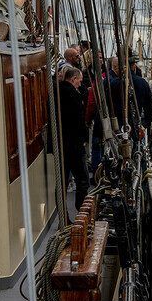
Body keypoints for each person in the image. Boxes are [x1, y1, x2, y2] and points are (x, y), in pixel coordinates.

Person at [59, 66, 90, 208]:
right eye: (79, 81)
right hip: (74, 145)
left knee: (62, 182)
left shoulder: (56, 91)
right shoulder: (73, 95)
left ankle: (63, 213)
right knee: (83, 179)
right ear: (73, 79)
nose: (80, 84)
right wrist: (83, 140)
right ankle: (81, 211)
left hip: (61, 144)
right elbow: (78, 121)